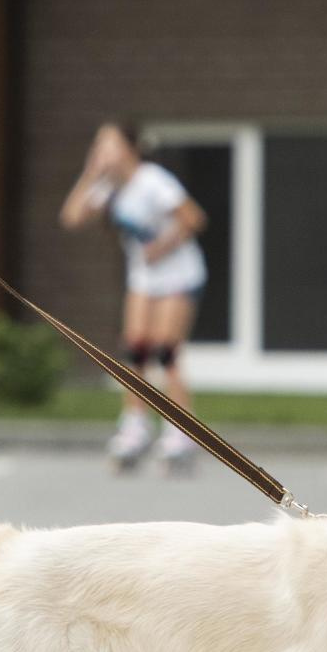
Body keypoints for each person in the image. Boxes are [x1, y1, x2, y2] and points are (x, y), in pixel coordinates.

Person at [59, 120, 208, 474]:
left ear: (130, 148)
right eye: (99, 145)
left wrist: (162, 246)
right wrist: (90, 174)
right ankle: (134, 427)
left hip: (179, 273)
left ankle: (180, 431)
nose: (103, 151)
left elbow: (193, 219)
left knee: (165, 352)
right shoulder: (109, 187)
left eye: (109, 144)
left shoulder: (153, 181)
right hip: (144, 277)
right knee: (136, 351)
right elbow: (72, 217)